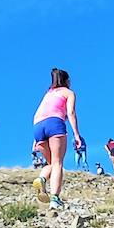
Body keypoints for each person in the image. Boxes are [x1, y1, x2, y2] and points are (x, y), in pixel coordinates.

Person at [31, 67, 82, 210]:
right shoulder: (68, 93)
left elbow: (39, 113)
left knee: (51, 163)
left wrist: (35, 140)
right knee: (58, 163)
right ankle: (55, 199)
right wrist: (76, 135)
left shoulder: (48, 94)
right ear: (67, 80)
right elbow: (70, 112)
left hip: (38, 127)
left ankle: (41, 178)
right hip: (55, 124)